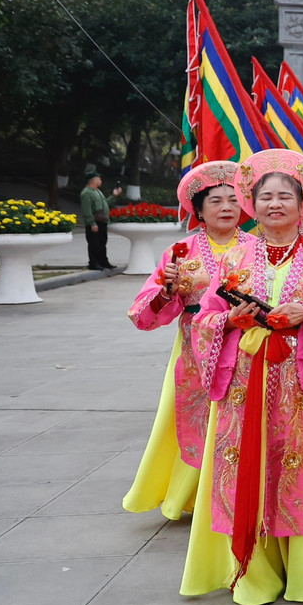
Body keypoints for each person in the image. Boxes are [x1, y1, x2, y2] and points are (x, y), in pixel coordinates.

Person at [183, 149, 303, 603]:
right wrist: (232, 321)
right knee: (243, 467)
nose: (274, 204)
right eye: (264, 196)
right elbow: (204, 319)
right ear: (253, 202)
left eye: (284, 196)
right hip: (243, 383)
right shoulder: (235, 258)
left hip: (302, 383)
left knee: (298, 471)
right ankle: (255, 570)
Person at [124, 160, 253, 520]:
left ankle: (238, 491)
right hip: (195, 350)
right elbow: (144, 312)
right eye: (216, 201)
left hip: (246, 347)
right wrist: (167, 292)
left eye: (234, 199)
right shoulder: (180, 253)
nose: (226, 207)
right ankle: (190, 496)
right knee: (190, 420)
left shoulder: (258, 248)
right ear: (198, 210)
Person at [80, 167, 122, 270]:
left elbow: (105, 204)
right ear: (93, 180)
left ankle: (103, 261)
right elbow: (87, 210)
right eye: (99, 179)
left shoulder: (97, 191)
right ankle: (93, 263)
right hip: (95, 222)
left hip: (102, 221)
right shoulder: (86, 193)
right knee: (94, 243)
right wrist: (92, 223)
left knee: (102, 243)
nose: (100, 181)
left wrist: (114, 195)